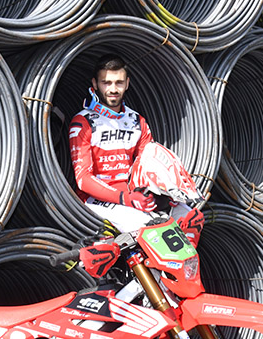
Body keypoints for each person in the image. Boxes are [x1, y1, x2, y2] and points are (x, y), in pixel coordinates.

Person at [69, 55, 203, 242]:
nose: (113, 89)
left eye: (119, 83)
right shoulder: (83, 122)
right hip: (96, 200)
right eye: (106, 83)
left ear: (127, 84)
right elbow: (83, 180)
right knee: (150, 230)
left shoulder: (136, 121)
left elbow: (149, 164)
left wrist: (167, 193)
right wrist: (125, 198)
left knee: (190, 217)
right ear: (95, 84)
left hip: (133, 195)